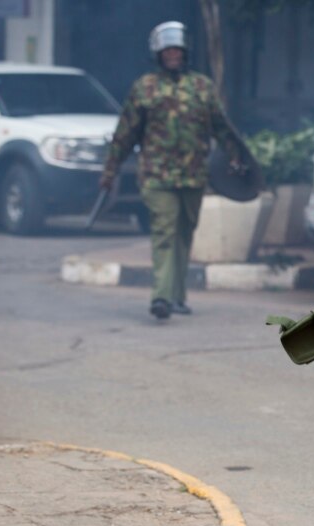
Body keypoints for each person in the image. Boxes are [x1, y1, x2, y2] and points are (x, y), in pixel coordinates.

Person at [99, 21, 243, 320]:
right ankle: (161, 297)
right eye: (168, 50)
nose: (173, 55)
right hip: (156, 176)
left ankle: (178, 295)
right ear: (158, 53)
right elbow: (124, 133)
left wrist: (236, 157)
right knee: (165, 231)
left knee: (183, 233)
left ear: (185, 51)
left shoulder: (202, 86)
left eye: (177, 50)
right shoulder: (145, 87)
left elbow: (221, 127)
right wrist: (110, 171)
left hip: (193, 174)